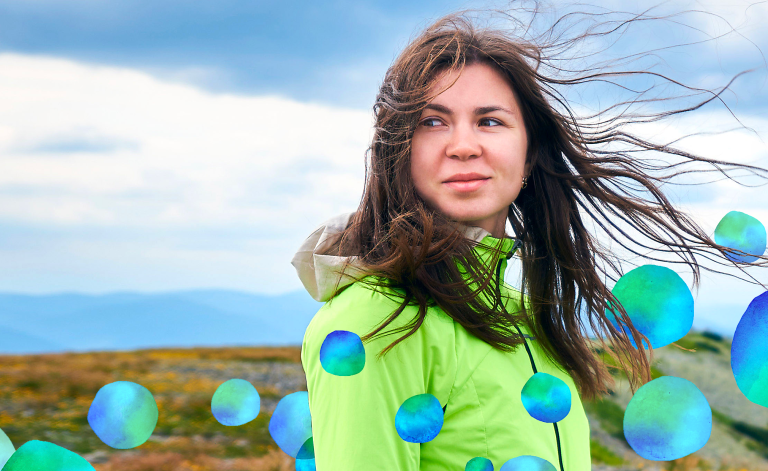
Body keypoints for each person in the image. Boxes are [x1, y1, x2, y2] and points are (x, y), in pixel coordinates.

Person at [291, 5, 768, 471]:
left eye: (490, 121)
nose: (463, 146)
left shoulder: (524, 313)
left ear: (529, 152)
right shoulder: (374, 322)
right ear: (399, 150)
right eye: (431, 122)